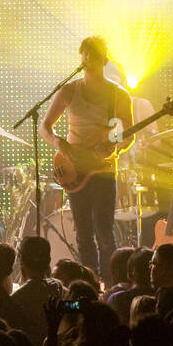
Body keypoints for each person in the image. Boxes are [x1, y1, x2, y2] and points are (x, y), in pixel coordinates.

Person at [39, 36, 134, 279]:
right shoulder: (70, 90)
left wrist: (116, 148)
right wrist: (59, 142)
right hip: (73, 168)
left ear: (105, 58)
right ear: (81, 57)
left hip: (103, 170)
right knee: (83, 232)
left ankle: (113, 285)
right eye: (85, 53)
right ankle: (89, 282)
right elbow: (45, 127)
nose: (89, 57)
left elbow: (128, 136)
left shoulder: (119, 95)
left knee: (104, 232)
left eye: (94, 53)